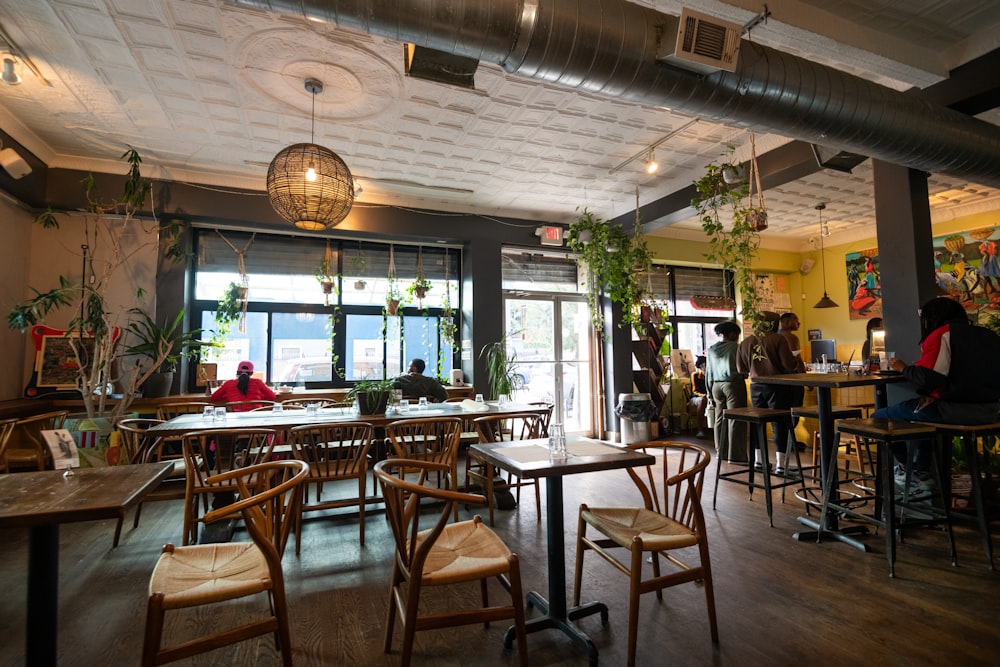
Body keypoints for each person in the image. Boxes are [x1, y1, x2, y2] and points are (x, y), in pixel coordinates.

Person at [872, 297, 1000, 495]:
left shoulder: (943, 334)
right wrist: (932, 393)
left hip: (953, 412)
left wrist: (903, 368)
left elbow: (927, 378)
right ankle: (921, 471)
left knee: (879, 417)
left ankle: (911, 472)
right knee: (920, 417)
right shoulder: (989, 335)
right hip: (990, 413)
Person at [736, 311, 799, 474]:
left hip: (756, 386)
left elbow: (741, 369)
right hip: (777, 386)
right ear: (773, 323)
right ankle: (780, 464)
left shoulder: (746, 342)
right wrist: (795, 358)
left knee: (759, 423)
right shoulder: (778, 339)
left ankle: (759, 461)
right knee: (779, 424)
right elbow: (789, 365)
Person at [705, 321, 748, 462]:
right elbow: (743, 369)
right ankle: (735, 455)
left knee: (719, 419)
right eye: (736, 334)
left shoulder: (711, 349)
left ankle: (721, 452)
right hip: (733, 385)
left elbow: (708, 373)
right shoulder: (736, 348)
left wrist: (709, 393)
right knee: (736, 418)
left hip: (715, 386)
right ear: (732, 334)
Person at [211, 360, 276, 407]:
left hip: (235, 418)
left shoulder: (228, 383)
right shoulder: (258, 382)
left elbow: (214, 397)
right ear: (252, 373)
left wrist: (228, 395)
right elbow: (272, 396)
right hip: (256, 416)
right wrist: (259, 395)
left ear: (237, 372)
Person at [689, 356, 709, 439]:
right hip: (695, 398)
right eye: (704, 365)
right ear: (701, 366)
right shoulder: (695, 375)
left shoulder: (709, 375)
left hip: (708, 397)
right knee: (702, 401)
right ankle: (699, 429)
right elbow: (694, 391)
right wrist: (705, 396)